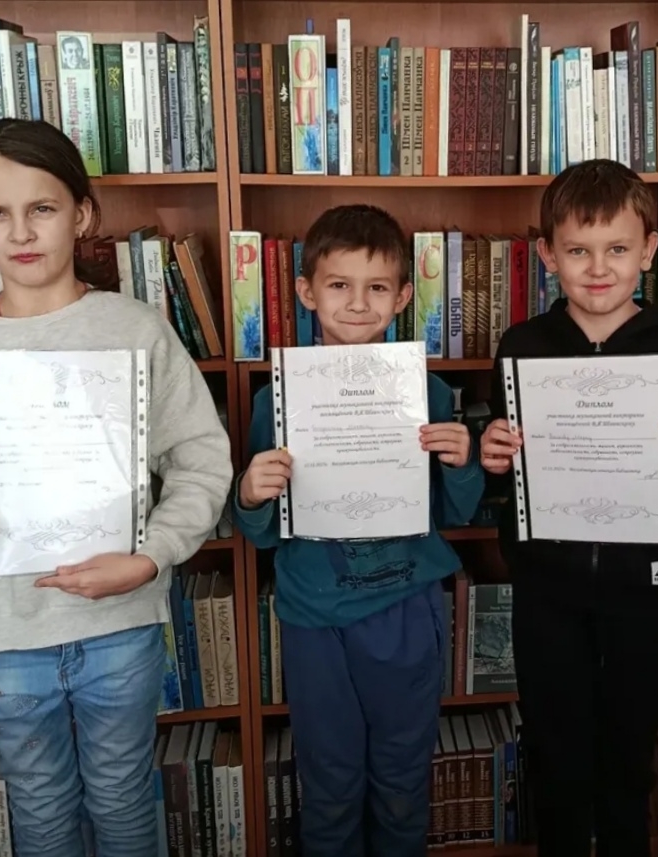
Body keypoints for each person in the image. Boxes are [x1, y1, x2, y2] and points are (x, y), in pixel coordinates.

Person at [0, 118, 233, 857]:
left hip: (119, 624)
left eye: (41, 207)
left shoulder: (135, 330)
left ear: (82, 213)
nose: (20, 231)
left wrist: (152, 555)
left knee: (124, 796)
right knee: (37, 806)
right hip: (1, 635)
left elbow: (200, 459)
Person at [478, 159, 658, 857]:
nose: (597, 268)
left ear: (648, 250)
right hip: (546, 588)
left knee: (627, 749)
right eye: (578, 250)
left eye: (617, 248)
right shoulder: (522, 346)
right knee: (555, 750)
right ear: (547, 255)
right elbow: (507, 469)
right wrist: (494, 451)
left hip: (641, 590)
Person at [233, 204, 484, 857]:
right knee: (330, 780)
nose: (356, 303)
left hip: (405, 610)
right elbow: (261, 534)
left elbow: (455, 514)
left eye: (376, 287)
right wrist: (252, 493)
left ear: (401, 297)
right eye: (339, 284)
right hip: (315, 617)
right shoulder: (274, 400)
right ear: (306, 291)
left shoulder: (429, 394)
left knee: (402, 778)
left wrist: (461, 463)